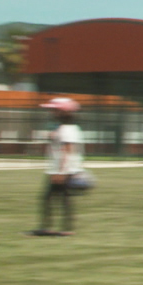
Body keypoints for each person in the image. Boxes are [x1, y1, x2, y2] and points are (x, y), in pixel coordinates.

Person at [32, 96, 84, 237]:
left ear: (63, 112)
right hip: (60, 170)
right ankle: (63, 228)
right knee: (60, 199)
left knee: (52, 199)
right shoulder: (63, 127)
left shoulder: (67, 129)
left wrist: (60, 172)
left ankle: (52, 228)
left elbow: (68, 151)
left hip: (63, 171)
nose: (51, 113)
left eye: (54, 110)